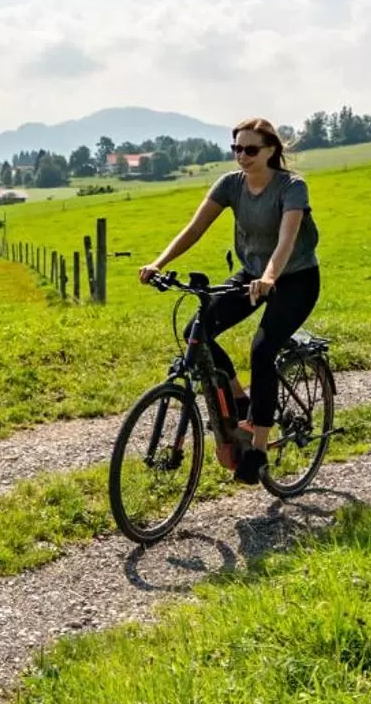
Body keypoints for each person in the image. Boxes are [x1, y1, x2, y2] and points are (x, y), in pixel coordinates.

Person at [138, 118, 321, 484]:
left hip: (296, 279)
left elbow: (286, 240)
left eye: (250, 149)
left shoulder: (292, 187)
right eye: (236, 148)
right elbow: (195, 228)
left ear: (271, 150)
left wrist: (269, 277)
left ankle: (258, 449)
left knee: (262, 350)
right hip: (252, 275)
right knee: (197, 331)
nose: (242, 155)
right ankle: (241, 401)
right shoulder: (230, 184)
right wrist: (159, 263)